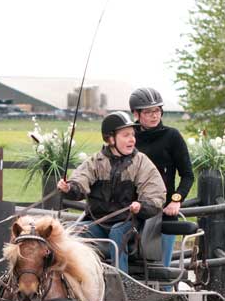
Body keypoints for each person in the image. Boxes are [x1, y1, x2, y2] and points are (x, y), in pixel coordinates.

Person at [58, 111, 165, 274]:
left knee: (117, 230)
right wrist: (69, 188)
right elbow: (80, 180)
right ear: (110, 139)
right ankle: (78, 279)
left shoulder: (141, 162)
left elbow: (155, 195)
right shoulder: (96, 162)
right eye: (126, 135)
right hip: (99, 224)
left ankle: (120, 281)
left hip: (130, 224)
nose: (132, 139)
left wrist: (142, 206)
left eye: (133, 135)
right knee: (73, 231)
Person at [130, 87, 195, 268]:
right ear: (136, 114)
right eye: (148, 112)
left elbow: (187, 175)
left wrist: (176, 200)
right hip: (134, 211)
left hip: (163, 212)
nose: (154, 115)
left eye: (157, 110)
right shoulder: (129, 137)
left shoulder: (172, 136)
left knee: (161, 269)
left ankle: (166, 293)